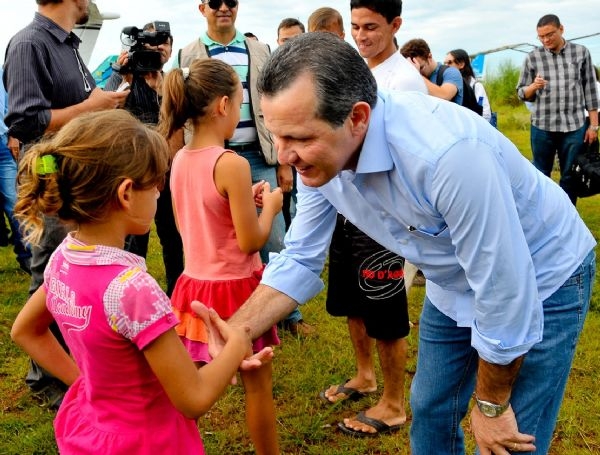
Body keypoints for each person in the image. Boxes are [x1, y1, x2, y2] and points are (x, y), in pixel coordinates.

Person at [209, 32, 595, 454]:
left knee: (511, 436)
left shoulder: (447, 157)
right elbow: (300, 258)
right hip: (454, 281)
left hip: (543, 276)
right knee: (430, 409)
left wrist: (490, 405)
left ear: (357, 118)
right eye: (276, 135)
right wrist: (239, 330)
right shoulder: (321, 159)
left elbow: (504, 292)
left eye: (300, 138)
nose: (284, 156)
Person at [10, 109, 266, 454]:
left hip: (92, 429)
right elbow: (193, 398)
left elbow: (24, 331)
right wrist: (236, 341)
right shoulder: (132, 289)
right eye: (156, 183)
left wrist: (85, 383)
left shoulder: (62, 260)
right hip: (149, 440)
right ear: (127, 193)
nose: (160, 193)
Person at [3, 0, 129, 409]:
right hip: (51, 169)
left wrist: (104, 101)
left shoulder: (67, 44)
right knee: (53, 269)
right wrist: (90, 108)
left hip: (76, 170)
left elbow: (78, 104)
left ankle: (72, 361)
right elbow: (25, 121)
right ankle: (46, 378)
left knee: (74, 269)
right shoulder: (29, 44)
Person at [158, 59, 282, 455]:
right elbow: (250, 242)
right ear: (224, 106)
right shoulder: (232, 164)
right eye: (242, 102)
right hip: (237, 290)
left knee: (189, 388)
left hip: (193, 287)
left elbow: (188, 226)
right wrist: (272, 208)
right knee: (257, 384)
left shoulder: (178, 160)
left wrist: (245, 200)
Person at [318, 0, 426, 437]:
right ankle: (365, 375)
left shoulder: (404, 81)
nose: (361, 36)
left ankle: (395, 403)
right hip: (349, 208)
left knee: (384, 307)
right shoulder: (355, 72)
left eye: (371, 27)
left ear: (396, 24)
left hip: (384, 216)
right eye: (356, 27)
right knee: (349, 298)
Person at [176, 0, 313, 336]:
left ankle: (287, 315)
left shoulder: (259, 48)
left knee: (277, 242)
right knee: (237, 233)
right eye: (215, 2)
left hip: (258, 153)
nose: (223, 7)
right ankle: (244, 314)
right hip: (218, 157)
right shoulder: (188, 52)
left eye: (231, 2)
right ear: (201, 8)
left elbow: (272, 103)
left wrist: (280, 160)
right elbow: (248, 239)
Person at [105, 22, 184, 296]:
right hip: (134, 172)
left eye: (164, 41)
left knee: (174, 239)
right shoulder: (127, 76)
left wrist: (160, 89)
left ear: (171, 47)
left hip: (169, 171)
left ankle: (177, 298)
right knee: (133, 241)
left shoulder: (175, 80)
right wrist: (120, 73)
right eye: (152, 42)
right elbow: (103, 109)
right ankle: (130, 296)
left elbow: (179, 125)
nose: (158, 47)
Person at [517, 14, 599, 205]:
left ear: (561, 29)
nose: (546, 40)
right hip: (542, 126)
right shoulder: (532, 58)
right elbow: (521, 92)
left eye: (549, 35)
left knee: (570, 176)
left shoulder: (581, 52)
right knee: (540, 174)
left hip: (574, 126)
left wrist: (593, 126)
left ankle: (567, 219)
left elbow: (590, 90)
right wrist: (533, 87)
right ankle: (542, 217)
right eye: (541, 37)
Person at [0, 68, 31, 274]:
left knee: (16, 202)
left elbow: (11, 104)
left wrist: (14, 135)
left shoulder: (1, 73)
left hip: (2, 144)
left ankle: (27, 256)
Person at [275, 18, 304, 231]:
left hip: (309, 151)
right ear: (278, 42)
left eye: (295, 39)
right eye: (285, 40)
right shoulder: (272, 76)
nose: (290, 45)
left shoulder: (315, 72)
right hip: (283, 152)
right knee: (284, 206)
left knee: (303, 206)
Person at [400, 37, 463, 104]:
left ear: (429, 57)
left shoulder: (451, 72)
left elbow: (445, 95)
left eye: (421, 67)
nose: (419, 71)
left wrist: (416, 73)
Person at [445, 48, 492, 122]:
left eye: (450, 63)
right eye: (445, 63)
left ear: (461, 64)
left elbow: (485, 114)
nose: (446, 66)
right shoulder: (447, 86)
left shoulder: (476, 86)